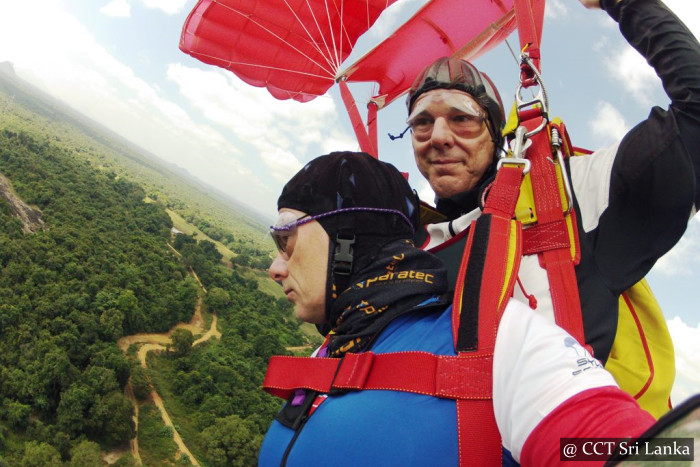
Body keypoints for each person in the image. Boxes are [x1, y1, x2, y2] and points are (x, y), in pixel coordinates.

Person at [258, 151, 661, 466]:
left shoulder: (498, 341)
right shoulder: (337, 346)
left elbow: (649, 453)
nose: (275, 268)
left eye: (285, 239)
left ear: (347, 239)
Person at [407, 0, 700, 417]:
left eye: (462, 118)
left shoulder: (571, 195)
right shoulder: (412, 242)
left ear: (495, 134)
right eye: (422, 121)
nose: (438, 136)